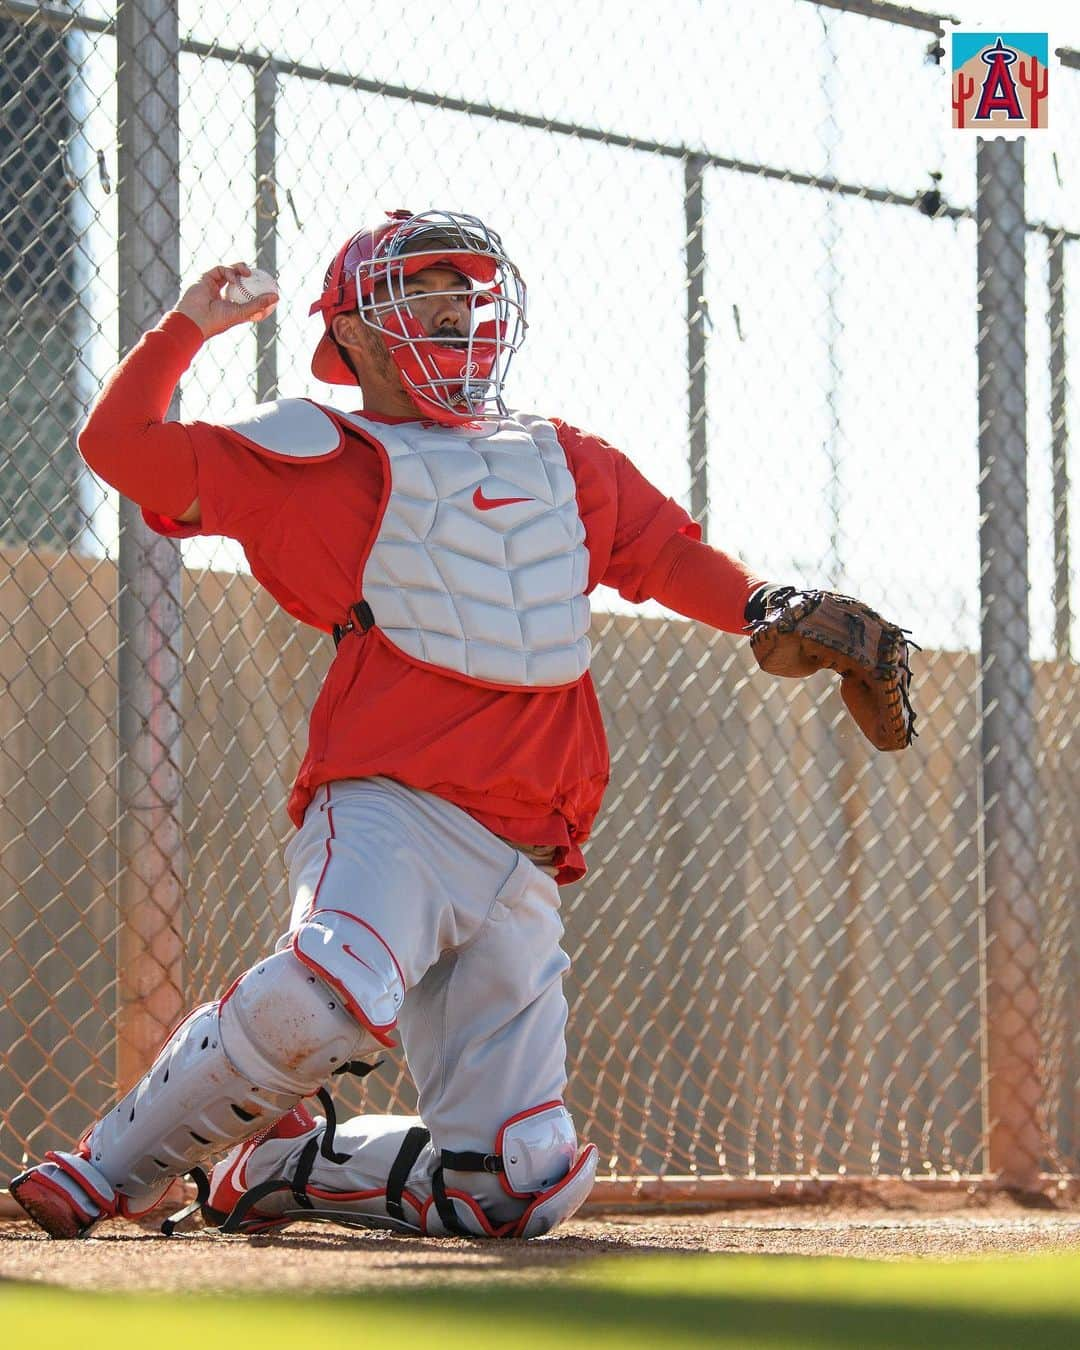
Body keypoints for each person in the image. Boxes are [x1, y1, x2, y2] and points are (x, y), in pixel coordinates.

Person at [10, 208, 789, 1241]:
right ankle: (107, 1169)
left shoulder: (561, 458)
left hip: (525, 845)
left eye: (467, 293)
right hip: (394, 804)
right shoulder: (324, 451)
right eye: (426, 289)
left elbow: (669, 554)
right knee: (322, 997)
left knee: (513, 1184)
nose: (457, 311)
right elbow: (119, 447)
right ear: (360, 332)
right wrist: (189, 326)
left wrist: (770, 606)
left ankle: (280, 1164)